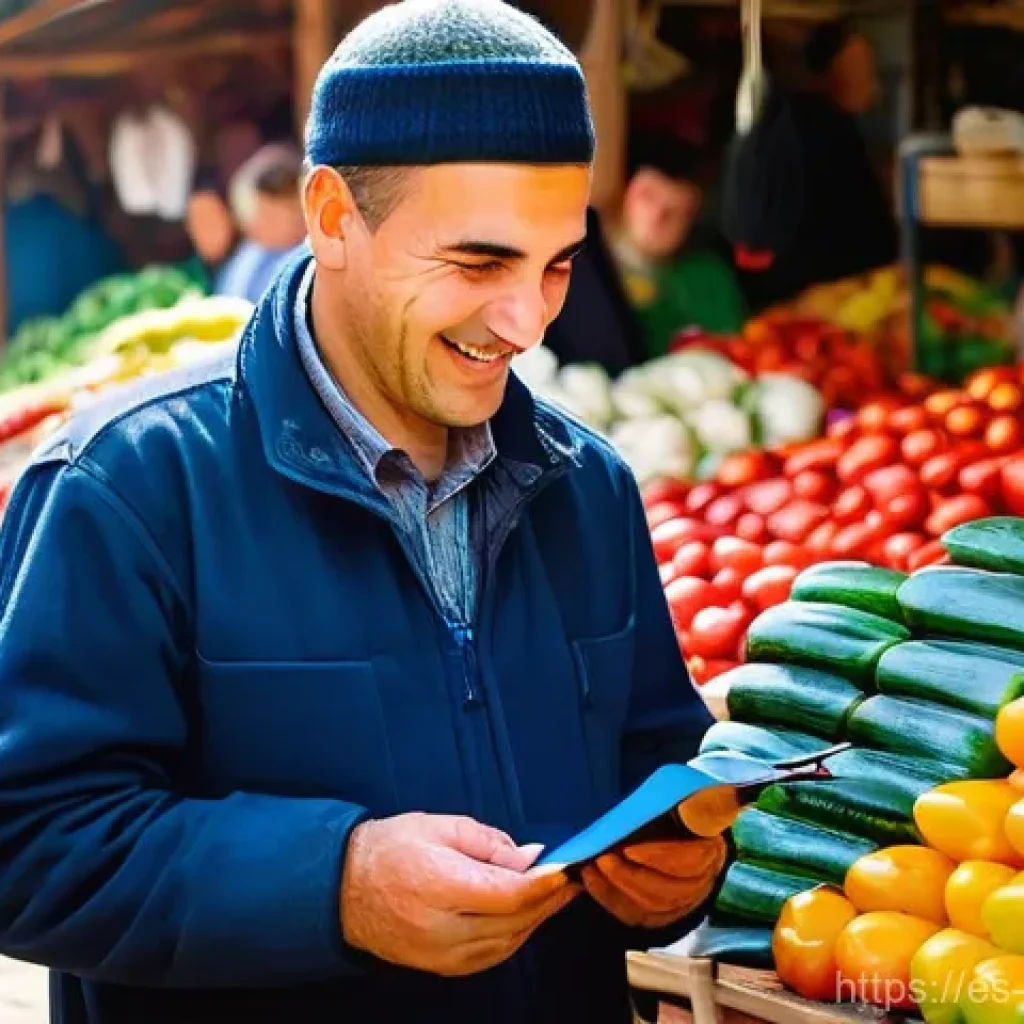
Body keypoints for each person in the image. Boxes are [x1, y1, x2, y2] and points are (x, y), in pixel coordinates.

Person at [0, 2, 723, 1023]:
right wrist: (332, 883)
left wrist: (681, 868)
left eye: (558, 262)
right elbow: (25, 841)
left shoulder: (588, 485)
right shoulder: (125, 488)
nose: (528, 321)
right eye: (478, 262)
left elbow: (658, 760)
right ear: (334, 216)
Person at [736, 20, 899, 309]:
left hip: (821, 291)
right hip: (819, 296)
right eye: (862, 69)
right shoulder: (818, 129)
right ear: (830, 71)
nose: (872, 86)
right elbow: (859, 230)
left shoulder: (818, 122)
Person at [608, 131, 746, 357]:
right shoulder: (580, 268)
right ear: (625, 190)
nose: (656, 217)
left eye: (674, 213)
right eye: (647, 196)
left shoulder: (710, 281)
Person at [214, 142, 307, 303]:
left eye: (294, 208)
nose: (289, 220)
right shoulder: (244, 268)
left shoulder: (312, 254)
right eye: (272, 215)